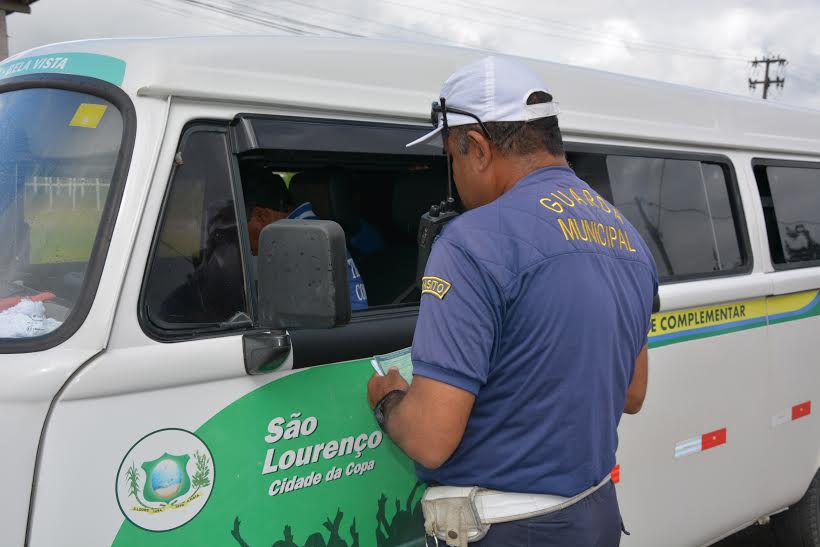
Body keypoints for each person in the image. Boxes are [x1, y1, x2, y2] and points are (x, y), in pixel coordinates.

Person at [366, 56, 658, 546]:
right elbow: (632, 393)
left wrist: (390, 400)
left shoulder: (470, 242)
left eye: (451, 158)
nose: (454, 177)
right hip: (594, 517)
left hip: (505, 530)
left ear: (477, 147)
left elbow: (430, 439)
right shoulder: (626, 234)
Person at [242, 166, 369, 311]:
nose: (238, 237)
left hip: (344, 331)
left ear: (260, 216)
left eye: (239, 226)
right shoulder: (305, 230)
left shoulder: (302, 241)